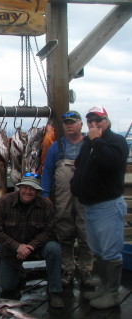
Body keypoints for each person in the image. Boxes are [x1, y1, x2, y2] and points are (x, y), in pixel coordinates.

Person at [71, 106, 128, 309]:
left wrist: (96, 140)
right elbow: (80, 165)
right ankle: (103, 287)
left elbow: (110, 163)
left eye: (98, 120)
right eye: (90, 121)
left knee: (111, 252)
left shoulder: (117, 142)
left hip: (107, 206)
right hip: (89, 206)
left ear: (107, 120)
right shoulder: (88, 144)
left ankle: (112, 293)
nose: (94, 124)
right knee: (98, 250)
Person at [0, 173, 64, 308]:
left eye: (32, 189)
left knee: (54, 249)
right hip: (12, 249)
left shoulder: (46, 204)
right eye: (25, 187)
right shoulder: (3, 202)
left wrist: (30, 246)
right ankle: (19, 274)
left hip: (37, 246)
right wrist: (17, 247)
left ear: (37, 191)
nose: (28, 191)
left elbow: (50, 230)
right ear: (19, 188)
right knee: (7, 287)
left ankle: (55, 290)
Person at [41, 111, 94, 288]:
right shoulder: (56, 147)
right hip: (63, 199)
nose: (69, 125)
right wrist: (45, 194)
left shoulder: (91, 144)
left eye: (73, 122)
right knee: (64, 234)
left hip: (87, 198)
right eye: (66, 123)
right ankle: (67, 270)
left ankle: (86, 271)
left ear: (81, 124)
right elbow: (47, 173)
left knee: (86, 234)